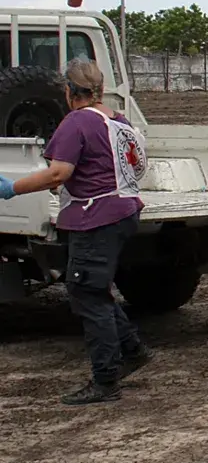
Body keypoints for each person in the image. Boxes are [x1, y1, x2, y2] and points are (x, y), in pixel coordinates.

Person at [0, 59, 153, 405]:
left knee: (86, 292)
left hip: (94, 216)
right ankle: (131, 350)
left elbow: (58, 173)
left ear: (69, 92)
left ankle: (105, 378)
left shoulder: (77, 123)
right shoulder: (118, 120)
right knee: (93, 288)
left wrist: (13, 188)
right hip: (123, 209)